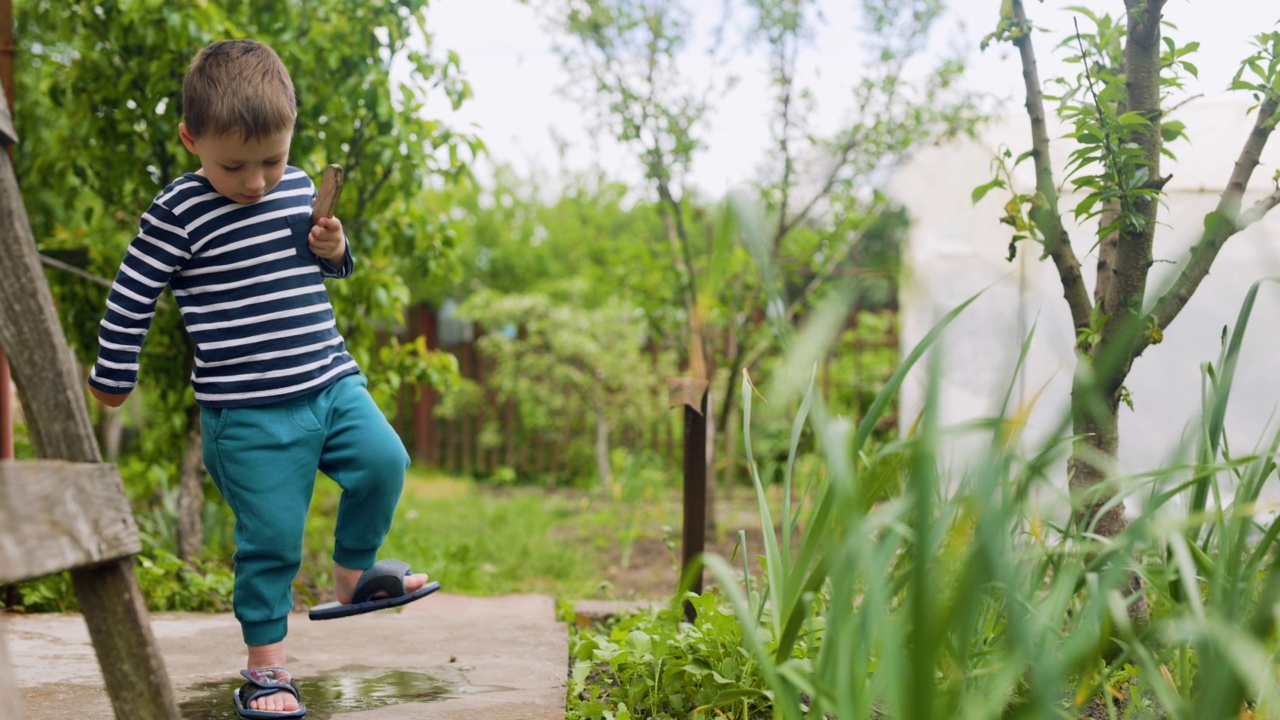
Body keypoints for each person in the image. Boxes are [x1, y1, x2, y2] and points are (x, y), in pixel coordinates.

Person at [87, 39, 438, 719]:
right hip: (247, 413)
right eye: (233, 165)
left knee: (384, 461)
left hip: (331, 382)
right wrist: (113, 372)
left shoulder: (302, 186)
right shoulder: (176, 214)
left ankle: (352, 576)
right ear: (192, 140)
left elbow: (326, 268)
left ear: (292, 136)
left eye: (271, 160)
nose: (255, 182)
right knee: (272, 538)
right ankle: (266, 670)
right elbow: (131, 294)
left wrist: (335, 251)